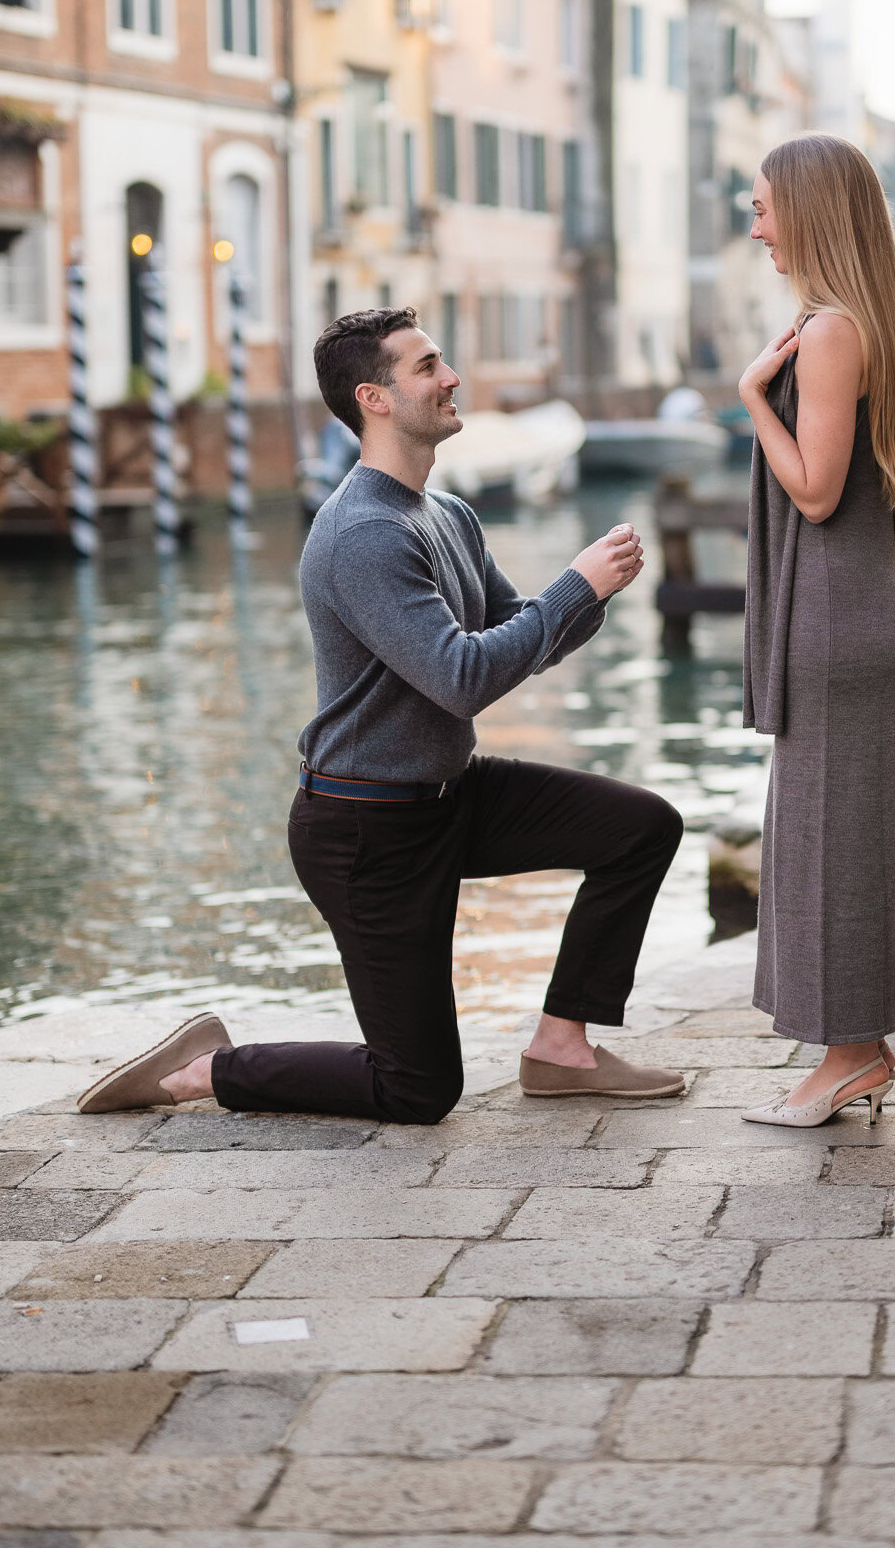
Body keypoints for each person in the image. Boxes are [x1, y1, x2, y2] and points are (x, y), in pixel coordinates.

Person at [77, 307, 687, 1122]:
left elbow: (516, 641)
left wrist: (590, 593)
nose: (452, 377)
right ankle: (209, 1070)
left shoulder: (450, 515)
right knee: (418, 1089)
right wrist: (576, 586)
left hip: (450, 795)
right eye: (428, 366)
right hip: (366, 832)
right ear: (373, 397)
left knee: (640, 827)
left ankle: (561, 1048)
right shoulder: (361, 533)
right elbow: (462, 679)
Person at [736, 134, 895, 1130]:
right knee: (843, 837)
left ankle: (851, 1052)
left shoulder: (829, 333)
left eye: (765, 205)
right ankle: (852, 1046)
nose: (756, 223)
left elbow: (813, 493)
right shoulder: (853, 322)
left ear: (809, 213)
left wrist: (749, 405)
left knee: (832, 841)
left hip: (840, 616)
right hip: (859, 606)